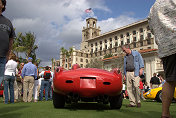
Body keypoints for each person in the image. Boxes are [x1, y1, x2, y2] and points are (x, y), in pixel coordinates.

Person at [149, 0, 176, 117]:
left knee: (170, 81)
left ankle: (165, 114)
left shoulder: (153, 8)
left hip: (166, 48)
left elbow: (152, 28)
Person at [0, 0, 16, 85]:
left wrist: (8, 54)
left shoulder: (8, 22)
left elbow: (11, 39)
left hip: (2, 58)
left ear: (3, 5)